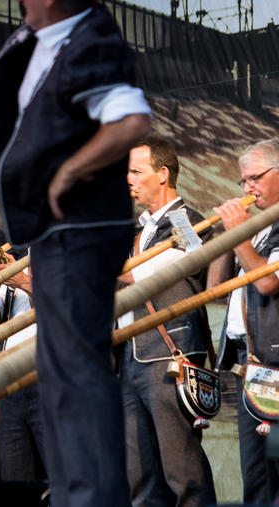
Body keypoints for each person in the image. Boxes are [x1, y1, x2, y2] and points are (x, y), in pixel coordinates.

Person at [0, 0, 152, 506]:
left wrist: (70, 171)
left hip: (80, 230)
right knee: (59, 373)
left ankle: (91, 498)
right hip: (55, 232)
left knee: (75, 372)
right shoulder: (60, 15)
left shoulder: (92, 44)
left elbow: (130, 120)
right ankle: (75, 495)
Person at [116, 136, 216, 506]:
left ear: (162, 174)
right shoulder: (136, 230)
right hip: (129, 357)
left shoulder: (188, 220)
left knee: (182, 469)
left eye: (135, 171)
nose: (128, 179)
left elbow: (180, 265)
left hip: (169, 356)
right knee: (140, 477)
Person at [210, 138, 279, 504]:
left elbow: (268, 282)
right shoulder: (258, 232)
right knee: (255, 474)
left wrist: (242, 240)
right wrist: (228, 237)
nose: (248, 188)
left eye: (255, 177)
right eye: (243, 182)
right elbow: (215, 289)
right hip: (250, 367)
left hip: (276, 366)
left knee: (276, 468)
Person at [0, 249, 45, 483]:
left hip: (50, 380)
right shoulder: (20, 263)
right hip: (11, 386)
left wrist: (23, 281)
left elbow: (65, 306)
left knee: (63, 471)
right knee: (15, 474)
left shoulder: (63, 254)